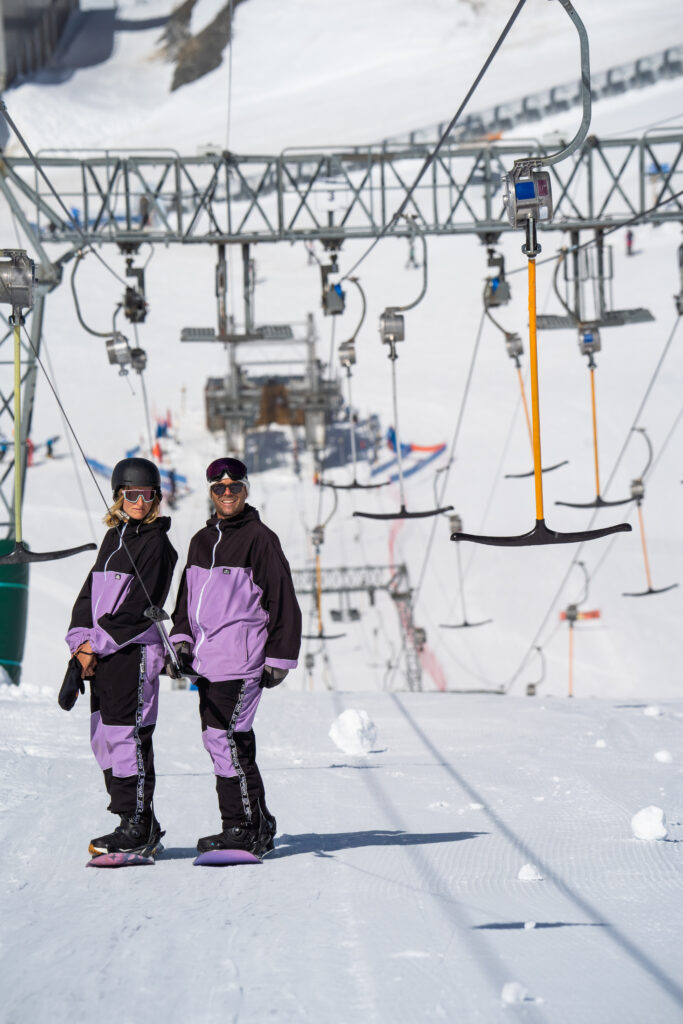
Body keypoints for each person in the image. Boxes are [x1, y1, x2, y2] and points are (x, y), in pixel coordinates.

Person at [168, 456, 302, 857]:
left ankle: (241, 826)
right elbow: (185, 602)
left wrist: (279, 657)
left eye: (235, 488)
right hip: (208, 664)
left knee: (222, 739)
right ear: (210, 493)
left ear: (246, 490)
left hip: (243, 661)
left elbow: (283, 600)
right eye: (219, 489)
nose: (227, 494)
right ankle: (256, 822)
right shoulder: (200, 541)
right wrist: (181, 641)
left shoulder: (260, 538)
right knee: (229, 741)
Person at [65, 457, 178, 855]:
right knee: (104, 738)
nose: (139, 502)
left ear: (155, 498)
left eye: (146, 495)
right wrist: (79, 644)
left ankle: (136, 824)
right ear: (118, 496)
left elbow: (138, 610)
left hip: (133, 655)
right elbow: (87, 598)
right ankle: (137, 819)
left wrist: (95, 644)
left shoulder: (158, 546)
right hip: (102, 656)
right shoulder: (114, 540)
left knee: (128, 738)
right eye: (131, 494)